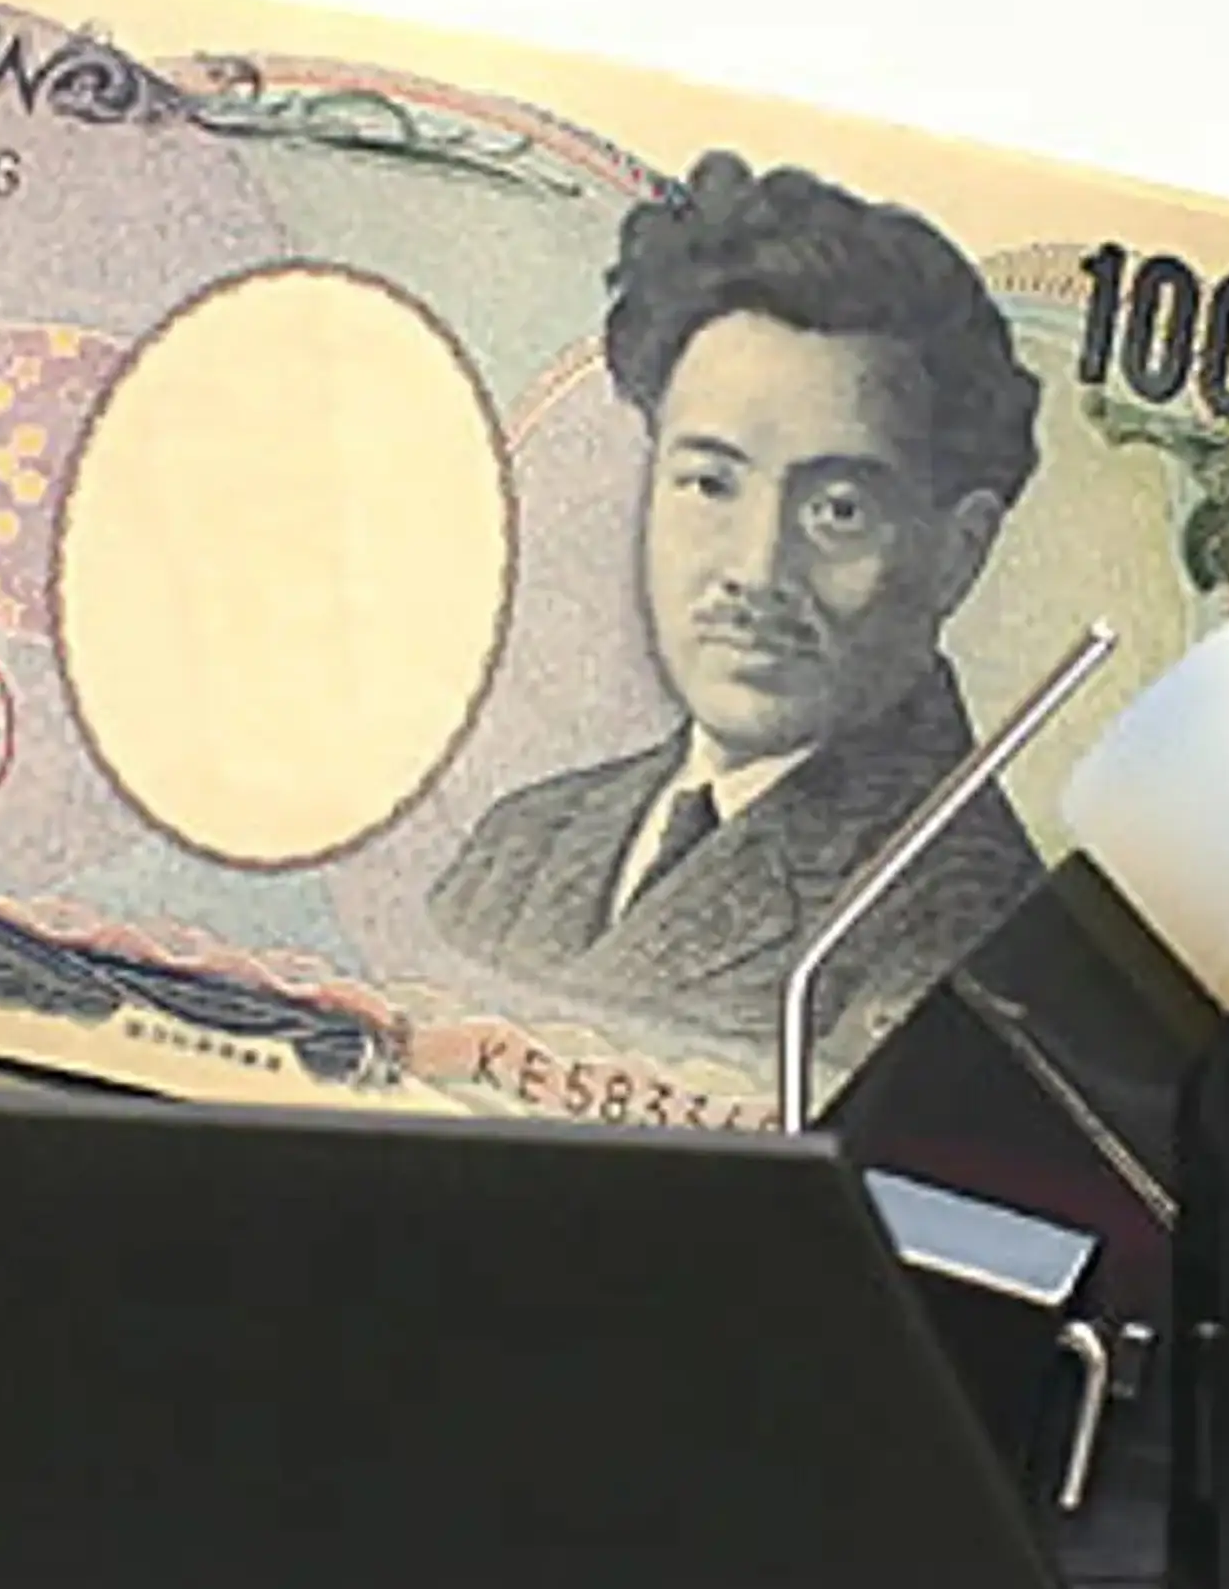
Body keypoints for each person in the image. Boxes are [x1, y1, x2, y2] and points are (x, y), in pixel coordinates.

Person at [431, 150, 1045, 1086]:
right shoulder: (517, 848)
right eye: (710, 484)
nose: (756, 570)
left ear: (959, 552)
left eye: (838, 510)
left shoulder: (971, 941)